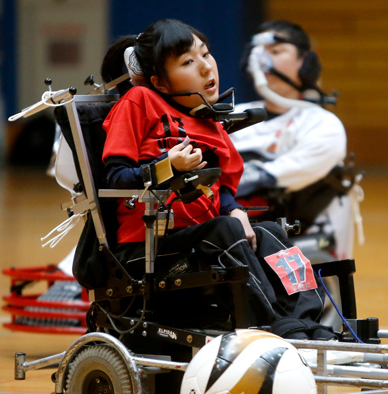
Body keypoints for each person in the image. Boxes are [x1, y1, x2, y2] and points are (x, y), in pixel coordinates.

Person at [98, 19, 335, 340]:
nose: (206, 67)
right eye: (188, 62)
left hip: (204, 238)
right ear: (161, 83)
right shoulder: (140, 101)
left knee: (270, 231)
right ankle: (272, 325)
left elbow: (220, 188)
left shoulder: (209, 119)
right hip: (149, 247)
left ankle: (307, 321)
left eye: (206, 55)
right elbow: (117, 177)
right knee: (225, 229)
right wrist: (168, 166)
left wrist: (234, 208)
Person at [230, 20, 362, 260]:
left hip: (293, 229)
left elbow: (293, 169)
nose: (263, 60)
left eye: (276, 51)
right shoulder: (233, 116)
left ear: (304, 62)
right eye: (257, 53)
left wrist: (254, 176)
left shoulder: (321, 123)